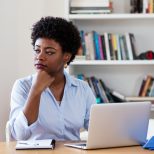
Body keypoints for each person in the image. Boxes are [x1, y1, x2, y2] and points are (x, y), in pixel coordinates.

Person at [8, 16, 96, 141]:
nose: (40, 57)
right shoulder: (22, 86)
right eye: (37, 50)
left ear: (66, 56)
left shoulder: (82, 89)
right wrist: (36, 90)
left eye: (49, 52)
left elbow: (96, 129)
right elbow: (19, 135)